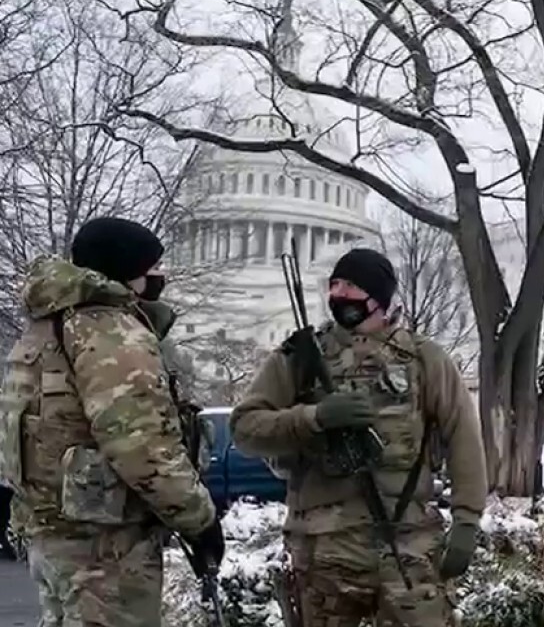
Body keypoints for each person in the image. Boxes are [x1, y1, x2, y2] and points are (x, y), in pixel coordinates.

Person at [231, 247, 486, 627]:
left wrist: (467, 519)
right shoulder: (300, 357)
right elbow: (245, 429)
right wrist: (313, 418)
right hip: (323, 550)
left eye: (351, 286)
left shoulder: (424, 358)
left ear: (379, 299)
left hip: (408, 544)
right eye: (335, 285)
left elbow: (463, 436)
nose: (340, 294)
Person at [0, 217, 225, 627]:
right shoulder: (110, 330)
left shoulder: (46, 326)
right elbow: (142, 446)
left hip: (53, 535)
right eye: (153, 267)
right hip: (105, 549)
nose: (160, 275)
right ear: (129, 271)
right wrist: (201, 520)